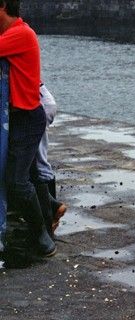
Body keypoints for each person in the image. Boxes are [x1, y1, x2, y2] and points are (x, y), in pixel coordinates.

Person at [0, 0, 55, 256]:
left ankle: (42, 238)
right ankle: (47, 220)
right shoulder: (16, 33)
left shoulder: (19, 34)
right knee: (31, 173)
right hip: (22, 117)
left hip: (28, 117)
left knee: (17, 182)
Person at [37, 83, 66, 234]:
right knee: (38, 160)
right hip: (42, 102)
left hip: (39, 105)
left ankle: (51, 215)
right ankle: (51, 212)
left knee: (38, 162)